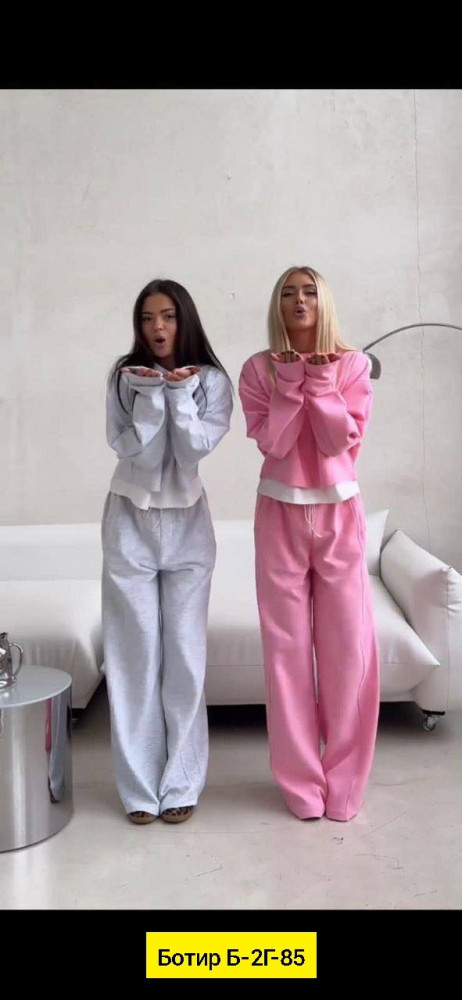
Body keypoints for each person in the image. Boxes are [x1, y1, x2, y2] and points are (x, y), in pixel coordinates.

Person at [239, 266, 379, 822]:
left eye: (310, 292)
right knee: (286, 655)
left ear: (324, 302)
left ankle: (344, 784)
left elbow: (337, 442)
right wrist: (290, 381)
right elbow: (272, 443)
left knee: (349, 652)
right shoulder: (257, 369)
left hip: (340, 512)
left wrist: (318, 383)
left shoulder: (354, 364)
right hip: (278, 514)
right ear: (278, 305)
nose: (299, 301)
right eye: (289, 293)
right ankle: (300, 785)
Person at [102, 279, 233, 824]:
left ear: (185, 320)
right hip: (128, 518)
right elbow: (129, 450)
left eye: (169, 316)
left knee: (183, 655)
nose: (157, 328)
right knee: (133, 657)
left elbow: (195, 448)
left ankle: (180, 783)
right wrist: (151, 396)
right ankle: (138, 788)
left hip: (188, 525)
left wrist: (178, 394)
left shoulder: (213, 380)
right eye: (148, 318)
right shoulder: (124, 377)